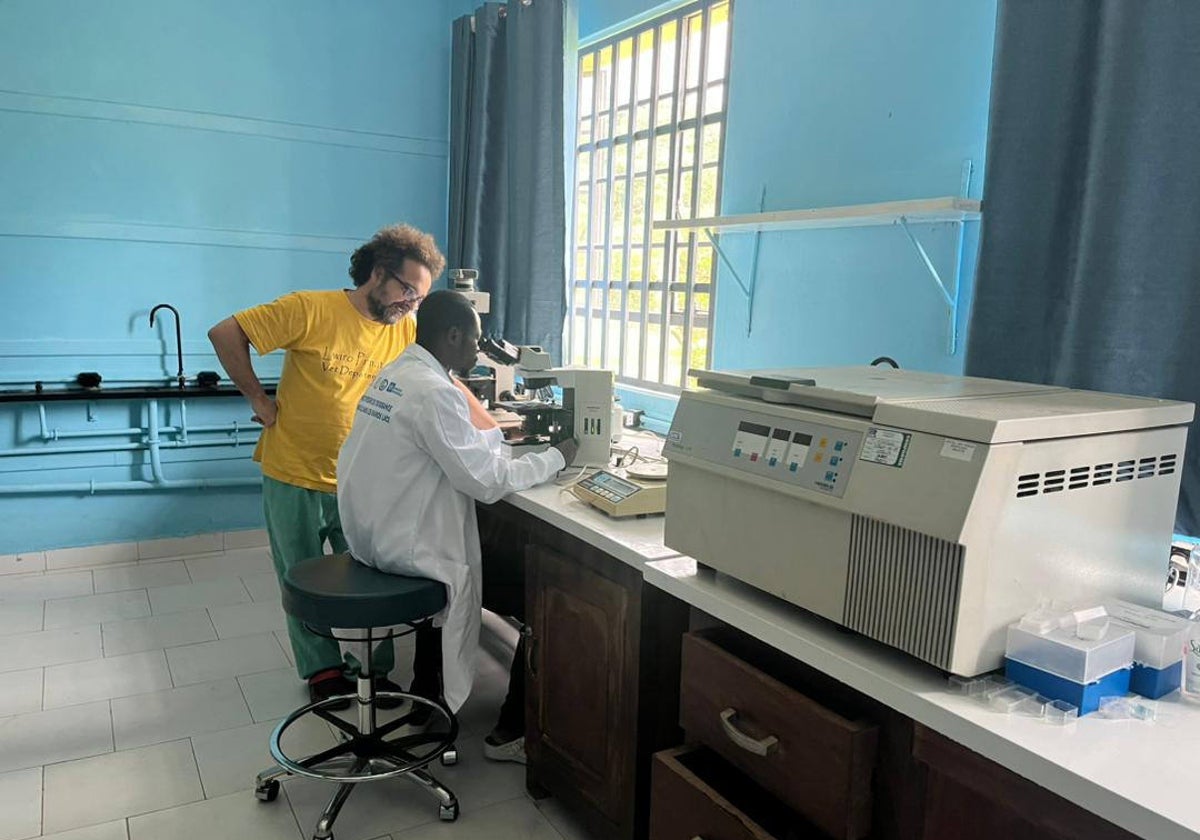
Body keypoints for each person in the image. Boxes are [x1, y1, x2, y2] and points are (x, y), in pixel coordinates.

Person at [208, 224, 495, 708]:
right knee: (300, 572)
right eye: (407, 290)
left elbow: (443, 380)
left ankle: (372, 670)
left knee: (373, 573)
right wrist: (257, 397)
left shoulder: (404, 329)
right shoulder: (310, 308)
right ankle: (322, 670)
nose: (411, 305)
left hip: (363, 477)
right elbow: (225, 333)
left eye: (419, 299)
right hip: (294, 471)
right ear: (379, 274)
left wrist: (490, 428)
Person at [337, 290, 576, 761]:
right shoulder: (434, 392)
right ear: (452, 336)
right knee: (544, 592)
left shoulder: (399, 373)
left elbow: (455, 446)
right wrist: (555, 457)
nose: (478, 350)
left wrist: (505, 448)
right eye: (475, 340)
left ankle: (428, 695)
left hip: (373, 537)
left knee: (494, 556)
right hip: (410, 551)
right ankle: (512, 733)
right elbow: (486, 484)